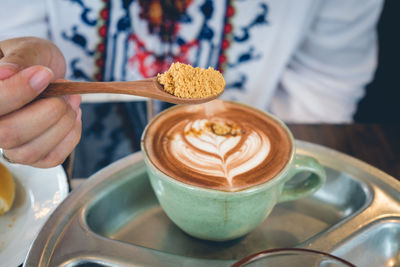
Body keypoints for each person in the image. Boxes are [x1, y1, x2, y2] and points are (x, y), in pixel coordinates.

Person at [0, 0, 384, 177]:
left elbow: (325, 83)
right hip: (76, 166)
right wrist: (22, 82)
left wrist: (260, 170)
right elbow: (13, 39)